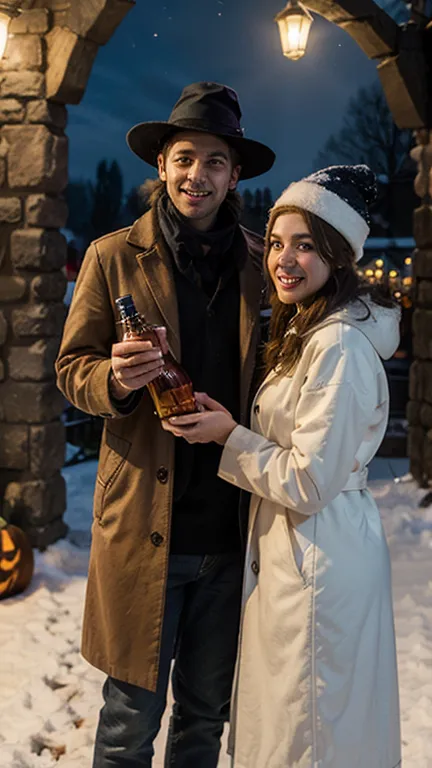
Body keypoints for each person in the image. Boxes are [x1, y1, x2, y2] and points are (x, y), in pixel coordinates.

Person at [55, 81, 275, 767]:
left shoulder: (261, 265)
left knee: (205, 722)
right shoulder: (112, 255)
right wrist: (115, 380)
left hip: (232, 534)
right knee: (127, 728)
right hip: (145, 526)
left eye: (214, 161)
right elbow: (70, 371)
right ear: (162, 166)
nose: (197, 175)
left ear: (234, 174)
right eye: (185, 158)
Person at [163, 165, 402, 768]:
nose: (283, 260)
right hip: (305, 550)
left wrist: (229, 437)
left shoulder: (339, 345)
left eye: (305, 245)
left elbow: (310, 479)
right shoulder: (314, 329)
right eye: (275, 242)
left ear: (338, 257)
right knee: (302, 722)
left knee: (309, 732)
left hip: (319, 556)